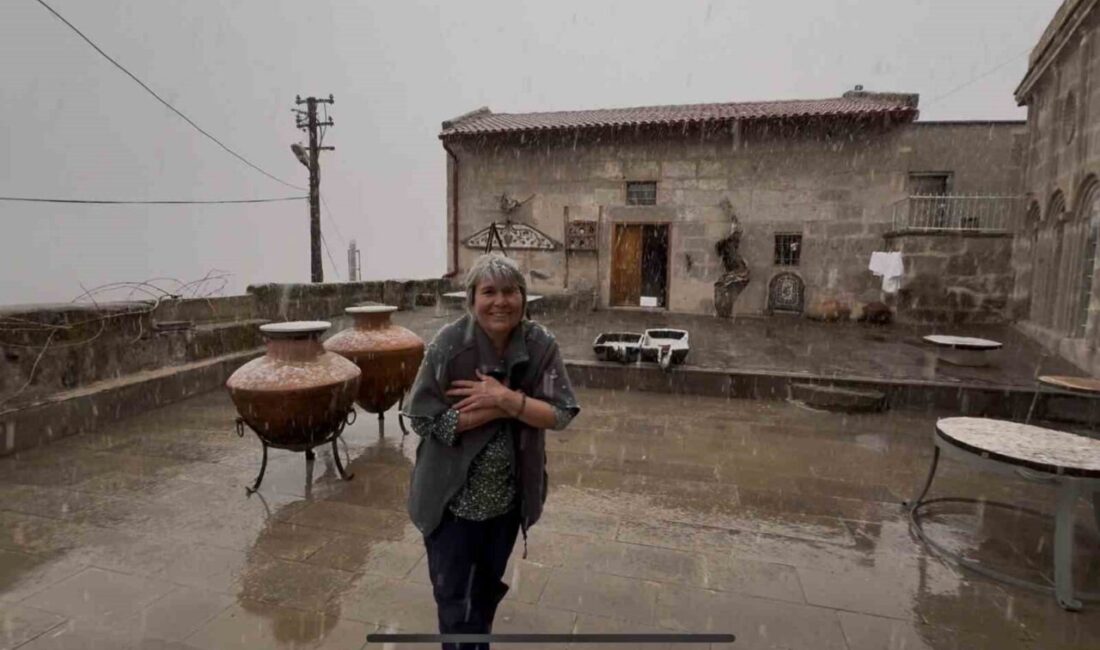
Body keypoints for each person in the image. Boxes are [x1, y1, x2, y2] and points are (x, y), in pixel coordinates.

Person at [403, 253, 580, 650]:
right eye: (489, 292)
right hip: (450, 508)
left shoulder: (539, 345)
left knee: (482, 600)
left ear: (523, 297)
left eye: (510, 291)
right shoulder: (449, 345)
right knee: (455, 605)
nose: (500, 301)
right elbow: (421, 419)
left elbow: (561, 413)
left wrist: (505, 399)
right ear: (472, 299)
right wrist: (490, 412)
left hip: (506, 507)